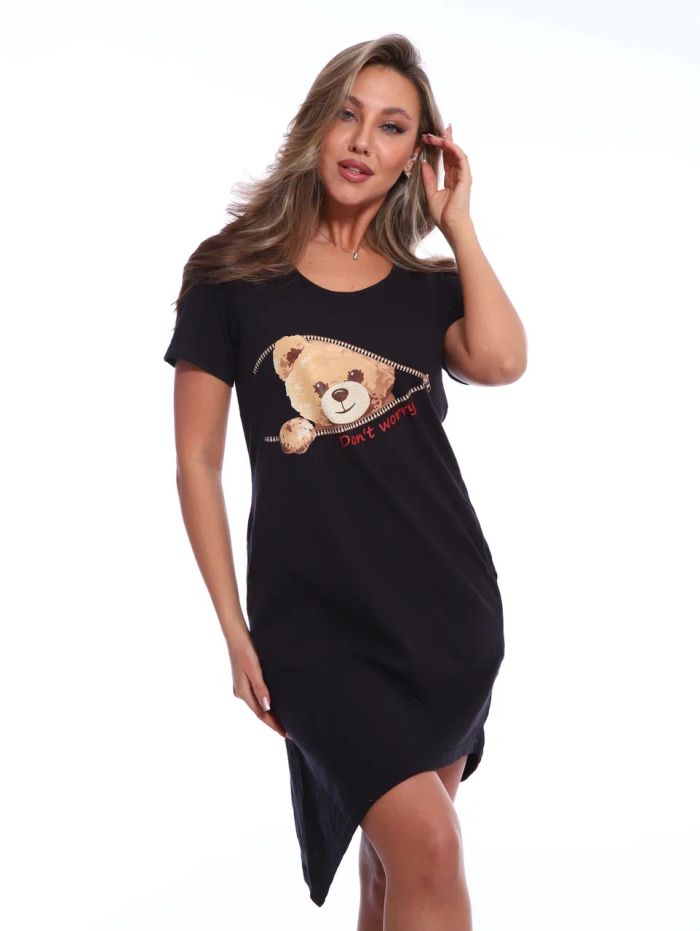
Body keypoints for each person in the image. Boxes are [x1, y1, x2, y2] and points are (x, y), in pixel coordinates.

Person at [163, 33, 526, 931]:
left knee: (395, 870)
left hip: (444, 613)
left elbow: (502, 360)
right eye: (349, 116)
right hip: (316, 629)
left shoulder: (424, 288)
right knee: (430, 848)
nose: (364, 141)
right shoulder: (229, 275)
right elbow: (197, 463)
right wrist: (234, 629)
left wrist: (460, 224)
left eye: (393, 127)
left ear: (416, 155)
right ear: (316, 125)